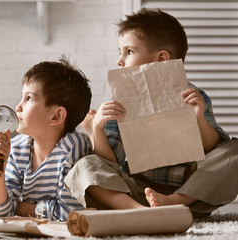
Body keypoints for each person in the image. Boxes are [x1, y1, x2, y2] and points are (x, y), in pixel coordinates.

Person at [64, 8, 238, 218]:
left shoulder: (194, 96)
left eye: (128, 52)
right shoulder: (118, 104)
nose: (120, 60)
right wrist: (98, 128)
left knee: (234, 152)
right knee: (85, 165)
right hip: (138, 191)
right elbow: (109, 161)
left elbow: (214, 149)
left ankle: (173, 203)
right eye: (120, 52)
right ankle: (139, 212)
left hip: (190, 192)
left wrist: (199, 118)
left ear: (162, 59)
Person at [0, 56, 92, 221]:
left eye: (29, 98)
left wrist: (18, 207)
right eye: (22, 97)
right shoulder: (17, 148)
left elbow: (69, 213)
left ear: (56, 116)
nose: (18, 107)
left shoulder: (74, 147)